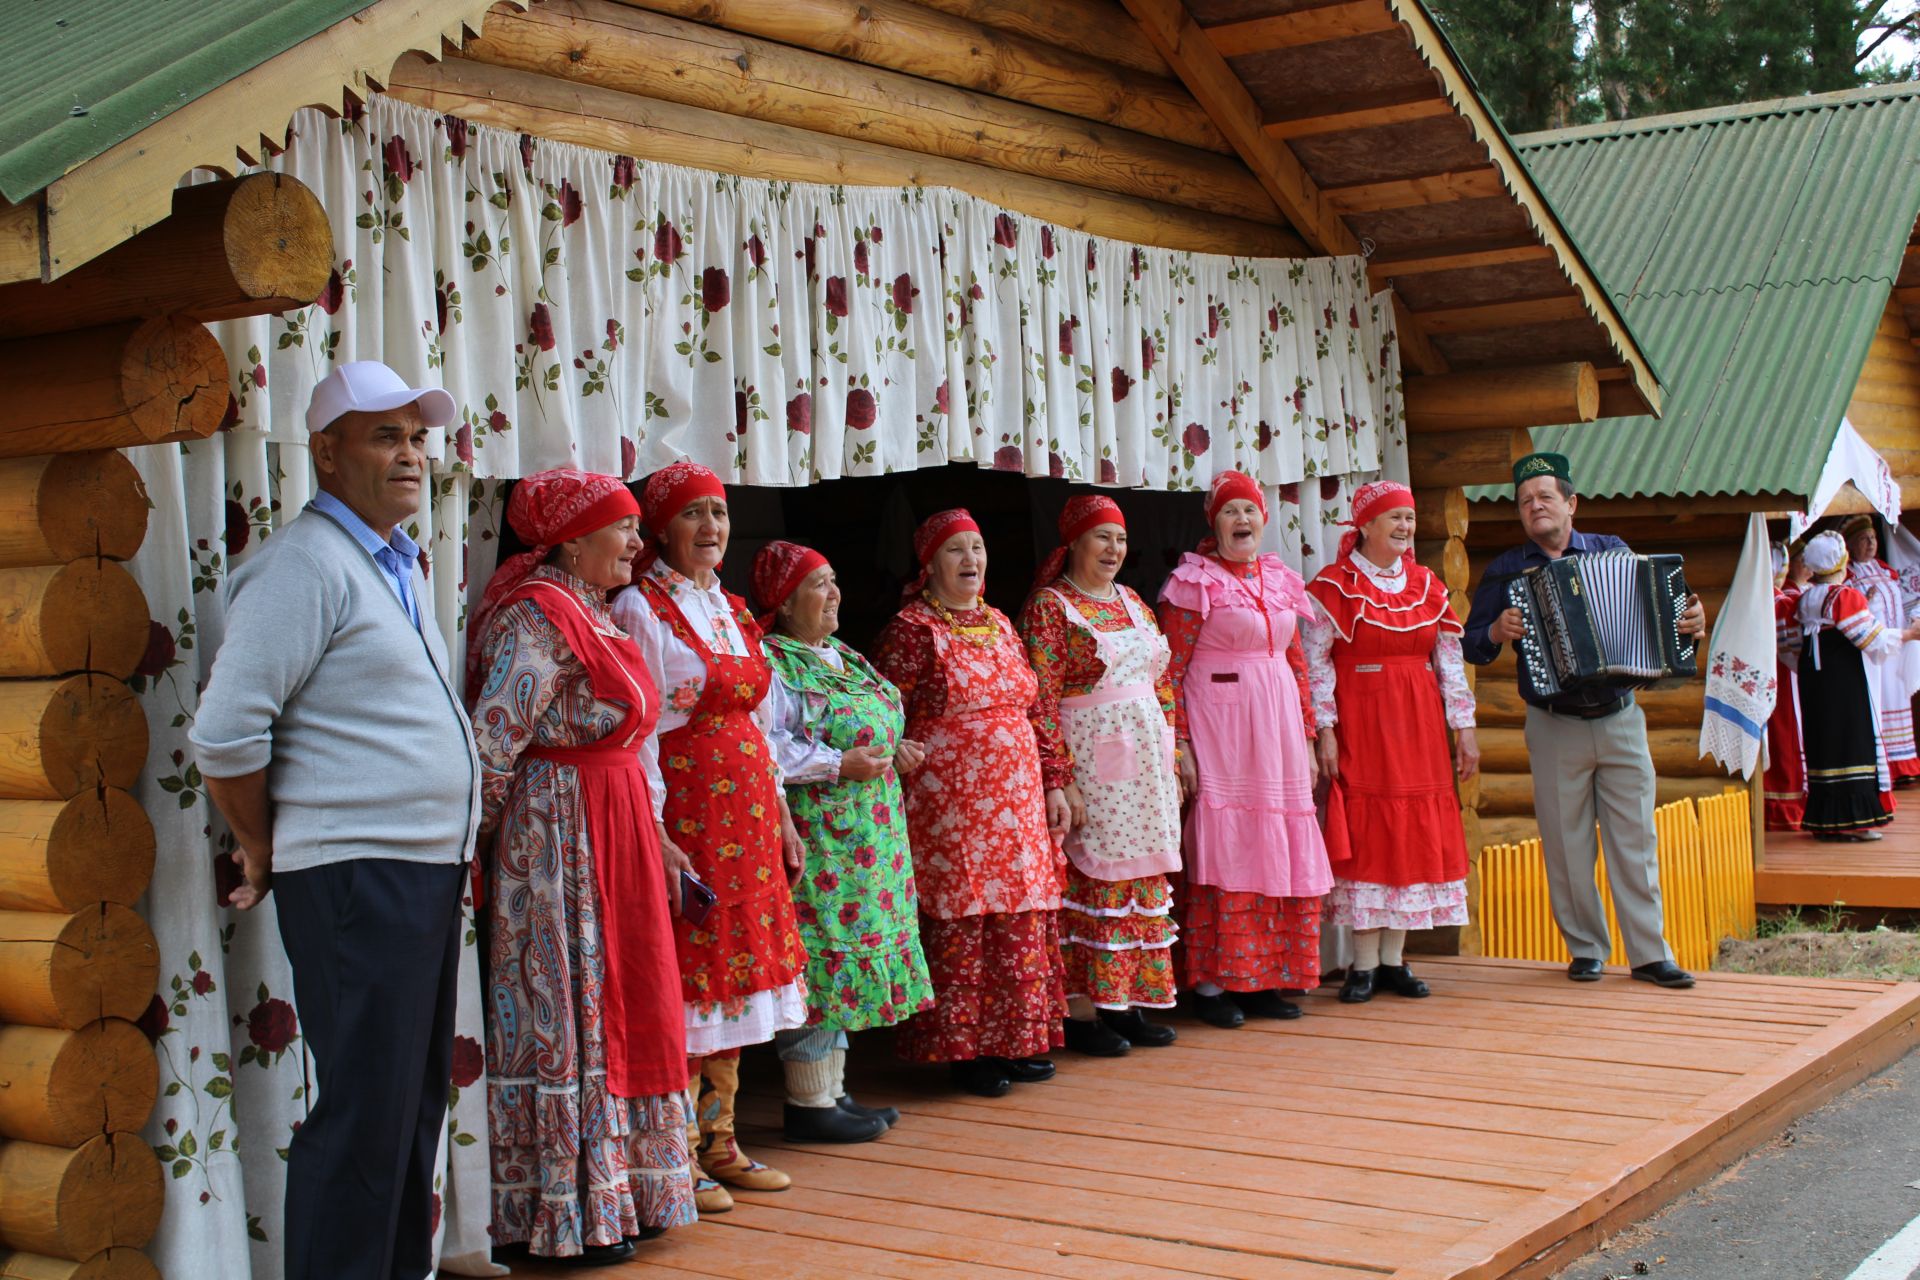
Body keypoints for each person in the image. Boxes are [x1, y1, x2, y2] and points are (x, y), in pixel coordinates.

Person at [190, 361, 479, 1280]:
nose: (410, 456)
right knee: (363, 1114)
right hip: (360, 873)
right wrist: (266, 845)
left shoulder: (388, 561)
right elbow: (227, 731)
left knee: (406, 1105)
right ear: (326, 451)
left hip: (415, 871)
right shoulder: (303, 565)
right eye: (384, 436)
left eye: (418, 438)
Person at [466, 469, 695, 1265]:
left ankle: (626, 1190)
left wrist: (659, 835)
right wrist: (477, 852)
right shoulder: (536, 618)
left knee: (623, 998)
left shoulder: (591, 613)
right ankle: (561, 1209)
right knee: (571, 1001)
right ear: (570, 539)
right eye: (623, 528)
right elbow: (494, 743)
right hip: (559, 830)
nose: (638, 542)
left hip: (616, 820)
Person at [608, 462, 808, 1213]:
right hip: (689, 814)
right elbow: (643, 729)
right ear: (661, 527)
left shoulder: (728, 606)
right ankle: (676, 1151)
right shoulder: (640, 608)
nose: (711, 529)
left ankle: (721, 1138)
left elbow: (760, 721)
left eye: (719, 514)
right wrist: (654, 831)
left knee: (737, 972)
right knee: (692, 971)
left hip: (750, 816)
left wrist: (784, 814)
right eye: (694, 514)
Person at [1462, 452, 1704, 989]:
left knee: (1635, 838)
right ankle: (1587, 949)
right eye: (1525, 502)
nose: (1535, 507)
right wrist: (1496, 632)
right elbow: (1471, 646)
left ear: (1571, 503)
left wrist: (1692, 620)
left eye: (1545, 497)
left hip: (1620, 716)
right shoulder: (1506, 570)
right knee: (1567, 842)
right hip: (1553, 722)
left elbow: (1665, 618)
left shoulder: (1611, 552)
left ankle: (1649, 954)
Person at [874, 509, 1068, 1098]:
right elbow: (884, 705)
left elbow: (1034, 710)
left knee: (1018, 912)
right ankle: (967, 1049)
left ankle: (1014, 1038)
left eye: (977, 548)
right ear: (929, 564)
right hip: (951, 804)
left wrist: (1055, 779)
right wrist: (894, 750)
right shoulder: (912, 628)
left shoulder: (1001, 622)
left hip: (1017, 798)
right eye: (956, 550)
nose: (970, 561)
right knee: (966, 917)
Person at [753, 540, 935, 1141]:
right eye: (817, 585)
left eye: (833, 581)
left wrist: (893, 752)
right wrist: (836, 763)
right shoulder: (774, 661)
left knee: (850, 952)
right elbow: (767, 744)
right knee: (820, 953)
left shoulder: (839, 656)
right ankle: (807, 1103)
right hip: (820, 835)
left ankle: (832, 1088)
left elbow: (875, 724)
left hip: (868, 833)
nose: (833, 594)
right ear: (783, 602)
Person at [1157, 471, 1329, 1029]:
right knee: (1227, 842)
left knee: (1274, 840)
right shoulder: (1192, 582)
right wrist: (1179, 742)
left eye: (1250, 511)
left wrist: (1307, 736)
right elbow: (1170, 670)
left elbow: (1298, 664)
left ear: (1264, 519)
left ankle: (1264, 976)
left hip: (1277, 728)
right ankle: (1212, 982)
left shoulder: (1280, 579)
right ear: (1215, 522)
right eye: (1231, 512)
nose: (1242, 521)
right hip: (1221, 727)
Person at [1017, 495, 1183, 1057]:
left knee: (1139, 881)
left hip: (1145, 763)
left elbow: (1161, 682)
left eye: (1119, 538)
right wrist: (1059, 776)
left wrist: (1173, 750)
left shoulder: (1134, 602)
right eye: (1101, 538)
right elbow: (1039, 698)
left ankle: (1128, 1002)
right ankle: (1087, 1012)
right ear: (1073, 545)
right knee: (1096, 881)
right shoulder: (1050, 607)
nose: (1113, 549)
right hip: (1092, 760)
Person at [1302, 481, 1477, 1004]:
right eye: (1394, 518)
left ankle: (1394, 961)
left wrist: (1463, 726)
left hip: (1418, 722)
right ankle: (1362, 965)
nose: (1405, 528)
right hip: (1363, 721)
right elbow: (1315, 665)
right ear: (1367, 526)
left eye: (1409, 518)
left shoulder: (1428, 585)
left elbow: (1448, 661)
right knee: (1368, 829)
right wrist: (1325, 731)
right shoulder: (1334, 584)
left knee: (1411, 830)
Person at [1796, 530, 1920, 840]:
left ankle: (1827, 822)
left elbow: (1789, 645)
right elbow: (1871, 639)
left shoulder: (1805, 598)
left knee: (1825, 744)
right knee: (1852, 741)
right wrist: (1907, 634)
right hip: (1843, 679)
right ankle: (1855, 820)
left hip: (1815, 680)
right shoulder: (1844, 596)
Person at [1843, 516, 1920, 788]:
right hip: (1874, 652)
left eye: (1873, 538)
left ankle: (1904, 765)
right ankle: (1885, 765)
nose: (1871, 543)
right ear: (1851, 546)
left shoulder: (1887, 571)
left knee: (1899, 698)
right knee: (1880, 700)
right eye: (1864, 539)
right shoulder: (1850, 576)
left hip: (1897, 645)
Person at [1764, 542, 1808, 831]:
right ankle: (1786, 809)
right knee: (1785, 739)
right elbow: (1796, 652)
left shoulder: (1758, 600)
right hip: (1783, 679)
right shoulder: (1782, 603)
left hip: (1767, 677)